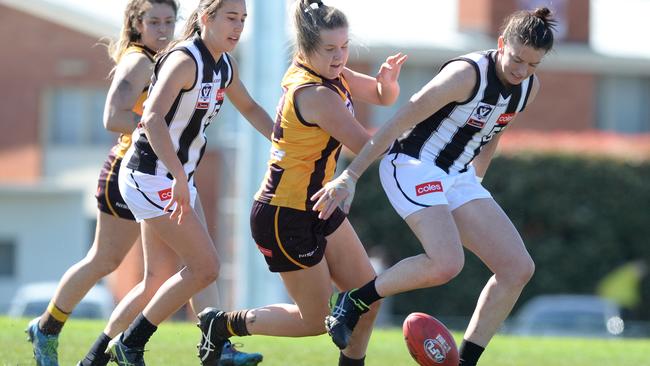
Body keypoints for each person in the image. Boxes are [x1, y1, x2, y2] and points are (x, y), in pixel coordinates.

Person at [312, 7, 557, 366]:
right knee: (446, 264)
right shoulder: (465, 74)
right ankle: (354, 300)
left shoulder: (527, 89)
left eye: (532, 65)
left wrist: (477, 182)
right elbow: (399, 119)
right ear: (502, 43)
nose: (521, 71)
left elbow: (491, 133)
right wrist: (351, 175)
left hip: (457, 175)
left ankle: (465, 361)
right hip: (412, 165)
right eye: (517, 59)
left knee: (518, 268)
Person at [195, 1, 407, 366]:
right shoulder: (316, 94)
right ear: (306, 48)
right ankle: (223, 325)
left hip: (319, 204)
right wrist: (424, 144)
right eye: (330, 49)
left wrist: (387, 84)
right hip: (284, 215)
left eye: (344, 47)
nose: (340, 56)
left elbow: (380, 95)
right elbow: (367, 146)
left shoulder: (332, 74)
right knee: (314, 321)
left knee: (367, 297)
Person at [108, 0, 274, 364]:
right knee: (205, 266)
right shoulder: (185, 60)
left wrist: (286, 142)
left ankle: (216, 349)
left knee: (196, 268)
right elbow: (150, 119)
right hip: (149, 177)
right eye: (231, 17)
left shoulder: (224, 65)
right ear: (205, 18)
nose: (239, 26)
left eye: (243, 19)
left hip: (175, 177)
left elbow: (249, 107)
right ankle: (130, 343)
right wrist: (180, 177)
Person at [26, 1, 179, 365]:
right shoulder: (139, 61)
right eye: (154, 21)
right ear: (137, 24)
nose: (162, 29)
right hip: (126, 170)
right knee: (105, 260)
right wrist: (167, 134)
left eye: (169, 21)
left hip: (157, 175)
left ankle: (106, 352)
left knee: (164, 274)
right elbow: (112, 116)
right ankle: (47, 329)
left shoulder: (171, 58)